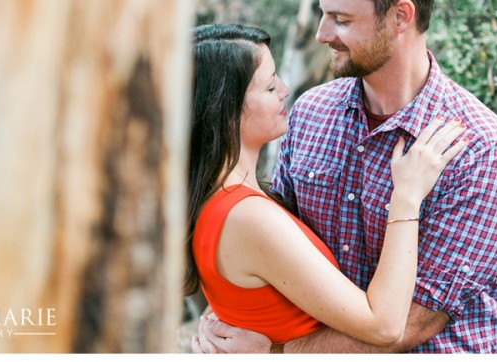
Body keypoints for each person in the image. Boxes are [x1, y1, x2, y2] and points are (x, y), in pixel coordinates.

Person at [194, 0, 497, 353]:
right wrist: (237, 308)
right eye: (323, 14)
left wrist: (274, 352)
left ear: (400, 17)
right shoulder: (311, 113)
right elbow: (279, 248)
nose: (321, 33)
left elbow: (408, 324)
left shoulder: (482, 150)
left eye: (342, 19)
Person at [186, 23, 468, 351]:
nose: (285, 90)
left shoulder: (214, 201)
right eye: (268, 86)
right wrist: (406, 197)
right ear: (226, 108)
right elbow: (385, 326)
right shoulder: (248, 216)